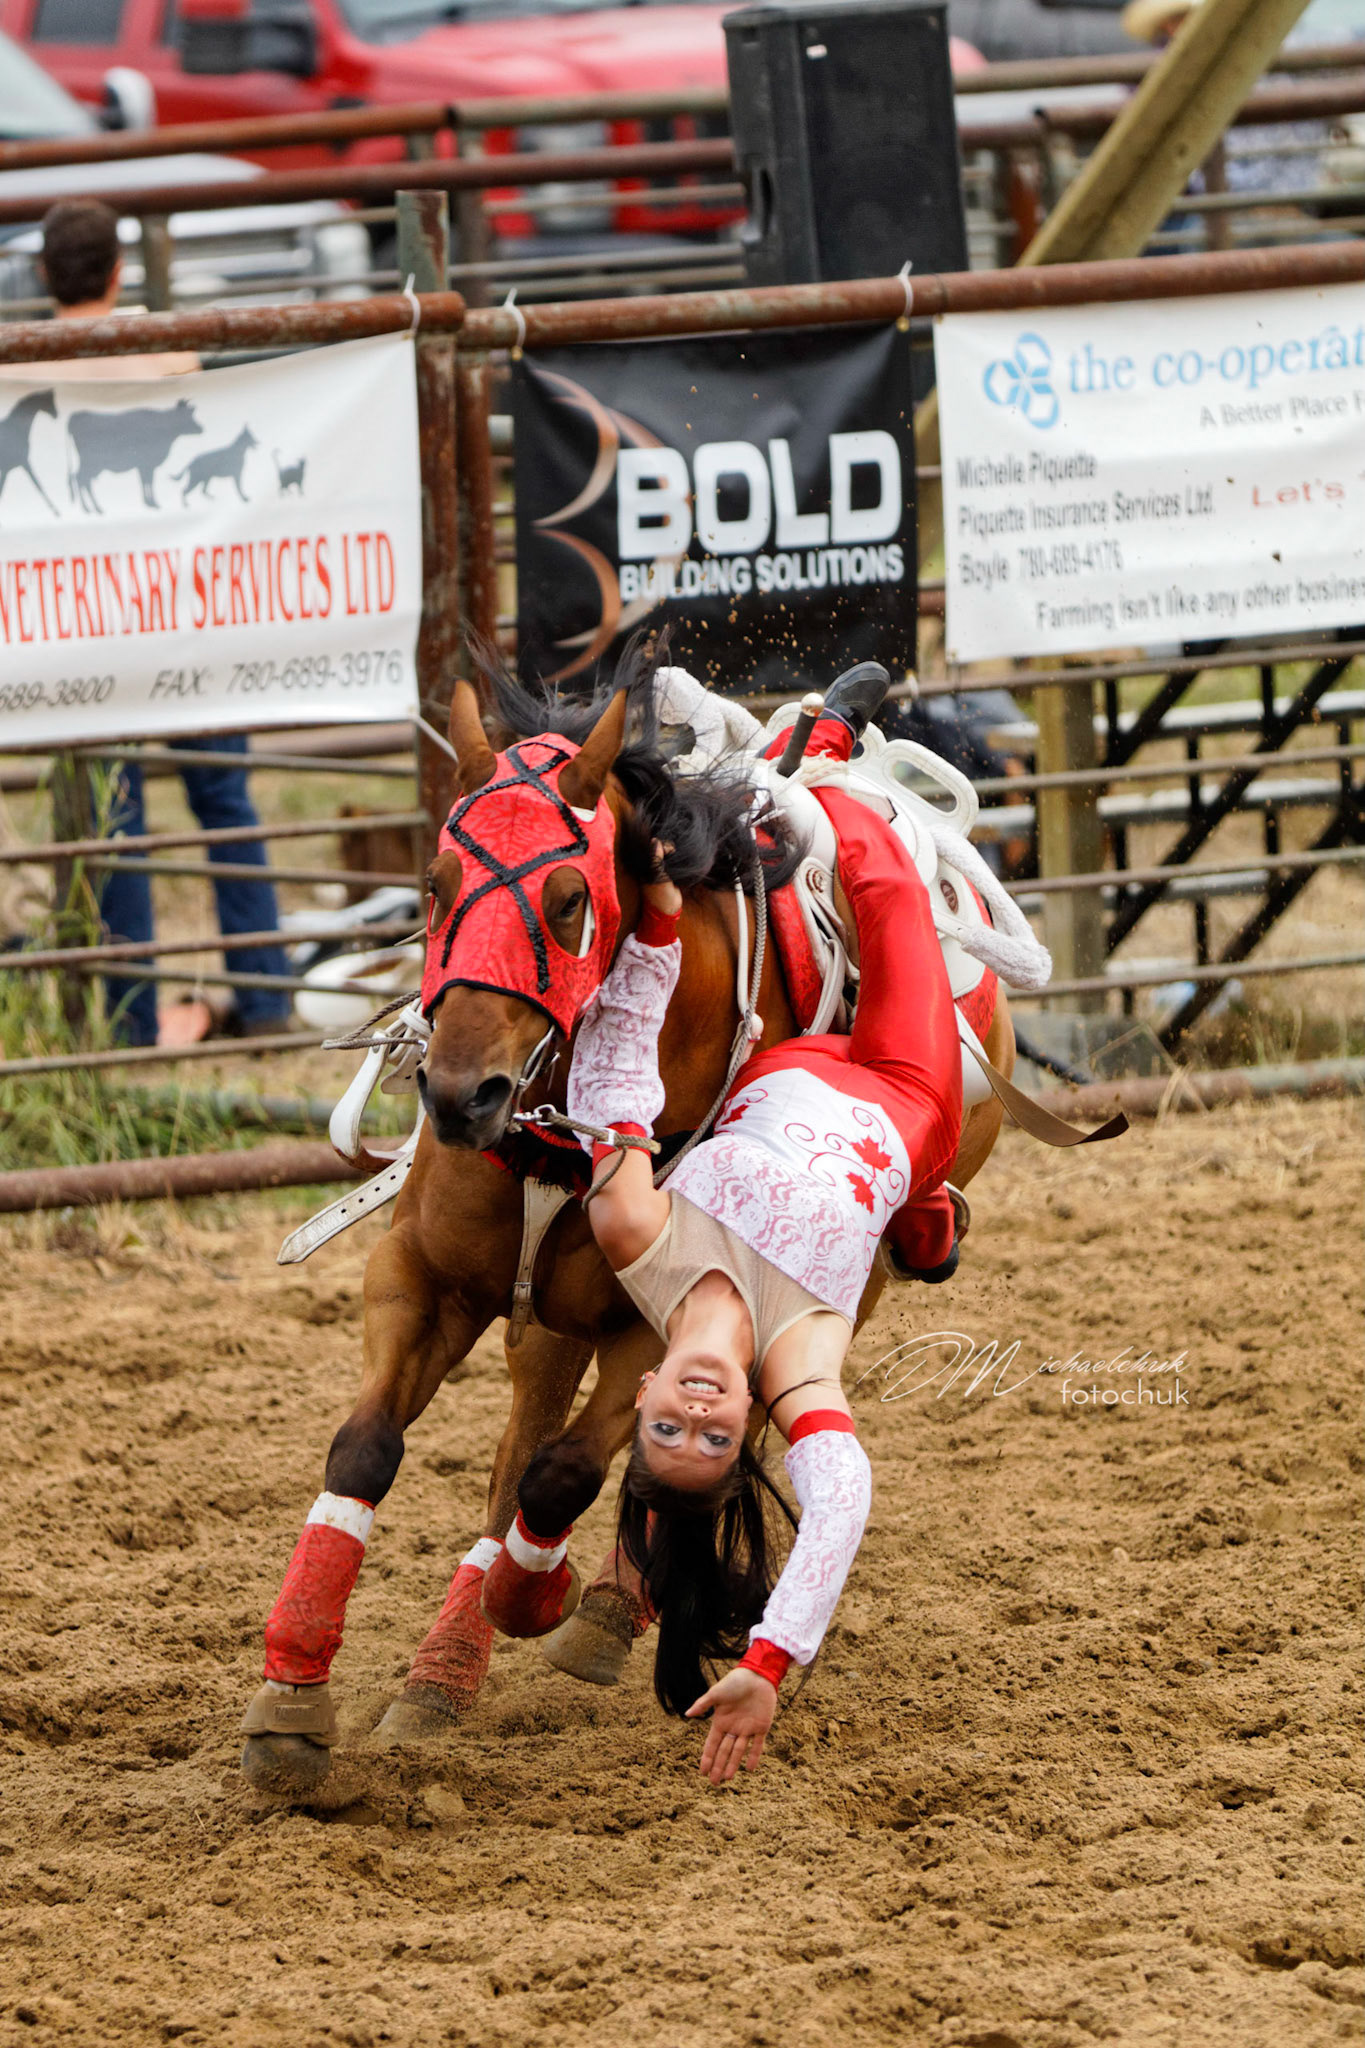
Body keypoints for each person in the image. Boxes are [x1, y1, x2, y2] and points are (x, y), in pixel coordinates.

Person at [481, 667, 965, 1784]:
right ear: (750, 1420)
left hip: (782, 1061)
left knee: (788, 894)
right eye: (716, 1439)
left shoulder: (637, 1241)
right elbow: (840, 1498)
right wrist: (772, 1656)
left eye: (669, 1433)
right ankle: (824, 746)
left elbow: (614, 1072)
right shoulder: (800, 1364)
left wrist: (656, 922)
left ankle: (780, 759)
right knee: (885, 877)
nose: (697, 1418)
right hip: (897, 1084)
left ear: (638, 1392)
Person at [31, 201, 292, 1044]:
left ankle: (130, 1020)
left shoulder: (24, 360)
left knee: (115, 813)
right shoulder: (167, 348)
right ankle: (264, 997)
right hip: (187, 615)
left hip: (91, 625)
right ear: (117, 270)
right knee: (224, 797)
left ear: (44, 274)